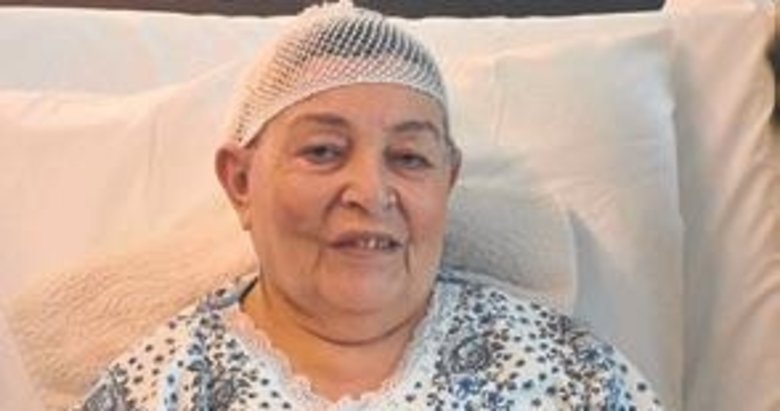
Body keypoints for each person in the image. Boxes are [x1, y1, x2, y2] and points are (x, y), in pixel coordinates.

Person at [75, 2, 663, 410]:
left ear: (448, 182)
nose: (371, 191)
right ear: (241, 182)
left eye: (409, 158)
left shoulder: (568, 374)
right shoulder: (156, 388)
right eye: (323, 151)